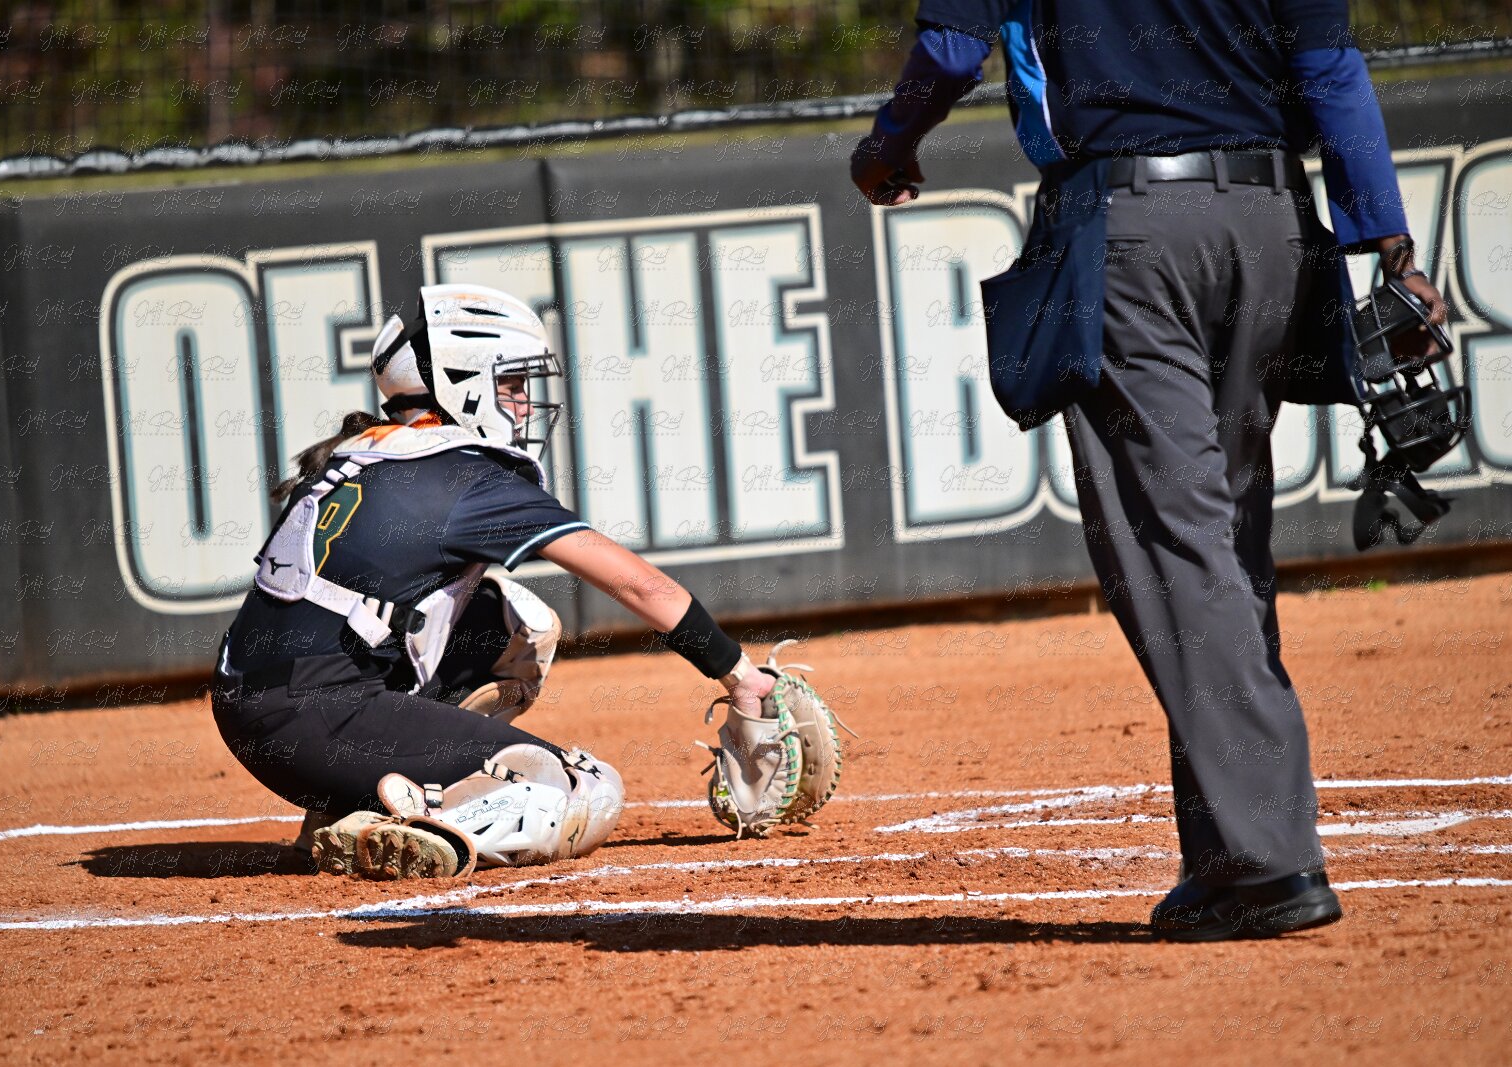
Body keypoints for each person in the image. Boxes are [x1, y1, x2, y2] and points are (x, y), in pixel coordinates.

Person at [851, 1, 1448, 939]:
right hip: (1270, 229)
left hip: (1132, 229)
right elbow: (1331, 70)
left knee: (1179, 545)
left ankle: (1271, 861)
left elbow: (954, 50)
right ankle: (1221, 859)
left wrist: (887, 145)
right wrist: (1394, 248)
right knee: (1222, 545)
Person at [211, 283, 779, 879]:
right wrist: (740, 675)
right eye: (510, 384)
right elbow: (637, 585)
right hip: (315, 718)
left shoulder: (360, 448)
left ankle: (348, 802)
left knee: (510, 624)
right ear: (462, 382)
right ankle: (410, 824)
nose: (525, 405)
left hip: (258, 705)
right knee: (586, 790)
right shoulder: (465, 474)